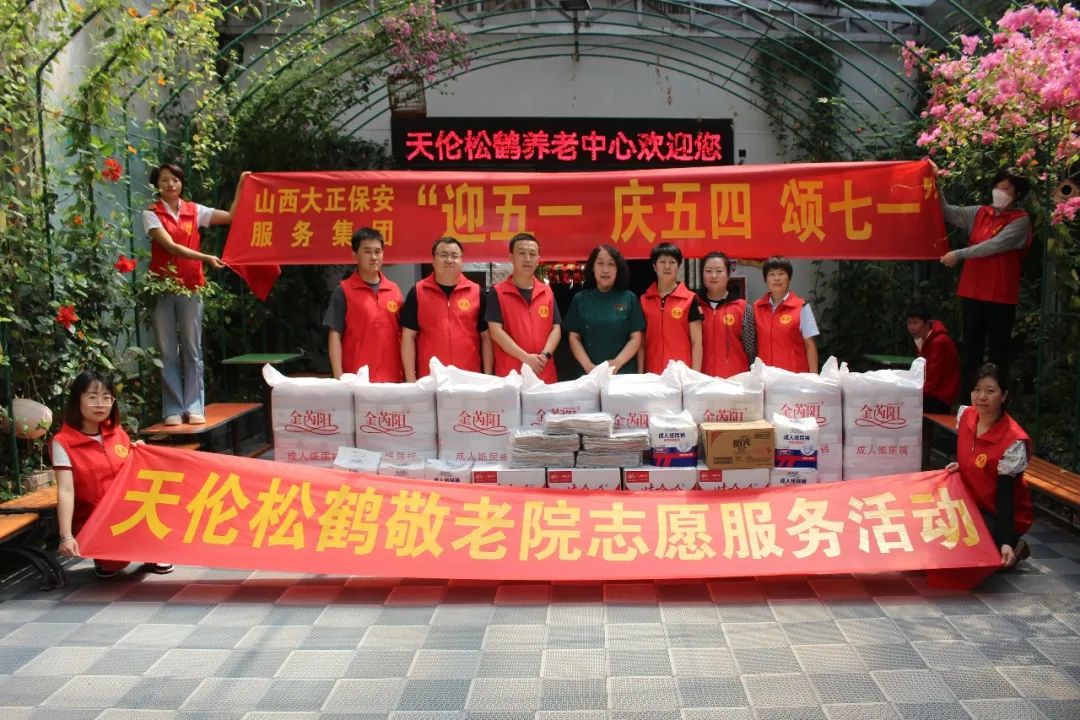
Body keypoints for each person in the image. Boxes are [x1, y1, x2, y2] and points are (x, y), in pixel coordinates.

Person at [144, 163, 248, 426]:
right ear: (157, 185)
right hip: (163, 287)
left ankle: (194, 406)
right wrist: (206, 257)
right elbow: (170, 247)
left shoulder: (194, 210)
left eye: (175, 180)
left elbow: (231, 217)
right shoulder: (151, 214)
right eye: (164, 180)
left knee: (192, 349)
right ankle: (172, 409)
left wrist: (241, 186)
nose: (170, 184)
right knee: (167, 350)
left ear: (181, 183)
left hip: (191, 285)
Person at [51, 370, 173, 578]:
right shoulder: (63, 442)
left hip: (131, 510)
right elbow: (66, 490)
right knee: (112, 566)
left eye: (106, 398)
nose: (100, 404)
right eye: (92, 397)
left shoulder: (117, 432)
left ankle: (153, 549)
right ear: (77, 400)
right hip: (97, 517)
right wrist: (66, 536)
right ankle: (111, 553)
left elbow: (131, 472)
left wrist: (140, 453)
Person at [933, 163, 1032, 385]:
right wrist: (936, 182)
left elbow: (994, 245)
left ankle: (997, 400)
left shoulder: (1020, 220)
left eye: (1005, 189)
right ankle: (969, 399)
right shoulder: (979, 213)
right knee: (971, 353)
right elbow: (946, 212)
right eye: (997, 187)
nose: (999, 192)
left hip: (1000, 296)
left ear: (1017, 194)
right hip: (972, 292)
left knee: (998, 354)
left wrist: (959, 254)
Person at [946, 363, 1032, 568]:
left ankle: (1013, 545)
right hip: (970, 501)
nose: (981, 396)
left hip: (997, 513)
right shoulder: (966, 415)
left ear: (1004, 396)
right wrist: (964, 465)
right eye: (977, 389)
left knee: (969, 549)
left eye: (990, 391)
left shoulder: (1013, 440)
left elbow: (1005, 496)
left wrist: (1006, 541)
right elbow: (974, 454)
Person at [400, 237, 493, 381]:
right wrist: (411, 380)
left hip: (469, 378)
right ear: (433, 261)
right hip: (430, 378)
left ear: (462, 261)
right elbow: (408, 336)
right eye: (443, 255)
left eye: (454, 256)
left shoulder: (476, 292)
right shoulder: (418, 292)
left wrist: (487, 376)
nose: (449, 260)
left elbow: (486, 336)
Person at [323, 227, 403, 381]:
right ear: (355, 255)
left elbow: (405, 335)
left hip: (391, 379)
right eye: (367, 252)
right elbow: (334, 334)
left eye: (378, 252)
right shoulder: (344, 291)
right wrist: (339, 376)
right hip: (356, 379)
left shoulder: (394, 290)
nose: (374, 257)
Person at [486, 233, 561, 382]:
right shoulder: (498, 292)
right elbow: (495, 332)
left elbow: (556, 328)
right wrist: (526, 358)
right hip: (511, 375)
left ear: (538, 260)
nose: (527, 259)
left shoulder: (546, 291)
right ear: (511, 257)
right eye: (521, 253)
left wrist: (544, 355)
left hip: (543, 373)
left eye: (532, 254)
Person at [565, 244, 646, 374]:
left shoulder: (629, 298)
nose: (605, 270)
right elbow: (574, 337)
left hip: (623, 374)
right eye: (600, 263)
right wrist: (588, 366)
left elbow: (636, 337)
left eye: (611, 264)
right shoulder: (580, 299)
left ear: (618, 269)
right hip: (589, 374)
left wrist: (617, 363)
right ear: (593, 267)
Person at [638, 243, 702, 374]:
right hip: (652, 373)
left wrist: (695, 376)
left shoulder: (690, 299)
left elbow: (697, 343)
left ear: (678, 266)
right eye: (662, 262)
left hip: (682, 374)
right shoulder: (644, 300)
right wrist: (640, 375)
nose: (667, 266)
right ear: (654, 266)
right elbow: (641, 344)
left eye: (672, 262)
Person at [752, 255, 820, 373]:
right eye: (771, 274)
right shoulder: (756, 308)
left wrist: (814, 376)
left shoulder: (802, 307)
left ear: (789, 278)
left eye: (781, 273)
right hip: (766, 376)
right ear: (765, 280)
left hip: (795, 376)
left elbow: (810, 344)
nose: (777, 278)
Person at [698, 251, 755, 377]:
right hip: (703, 380)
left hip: (737, 380)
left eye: (719, 271)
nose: (713, 275)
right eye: (708, 271)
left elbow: (751, 350)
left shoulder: (743, 308)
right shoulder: (695, 306)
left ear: (728, 275)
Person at [906, 306, 960, 413]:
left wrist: (912, 393)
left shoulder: (938, 342)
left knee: (901, 402)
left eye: (915, 323)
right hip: (931, 393)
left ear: (927, 323)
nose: (911, 327)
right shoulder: (923, 339)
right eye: (909, 323)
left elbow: (933, 379)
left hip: (940, 398)